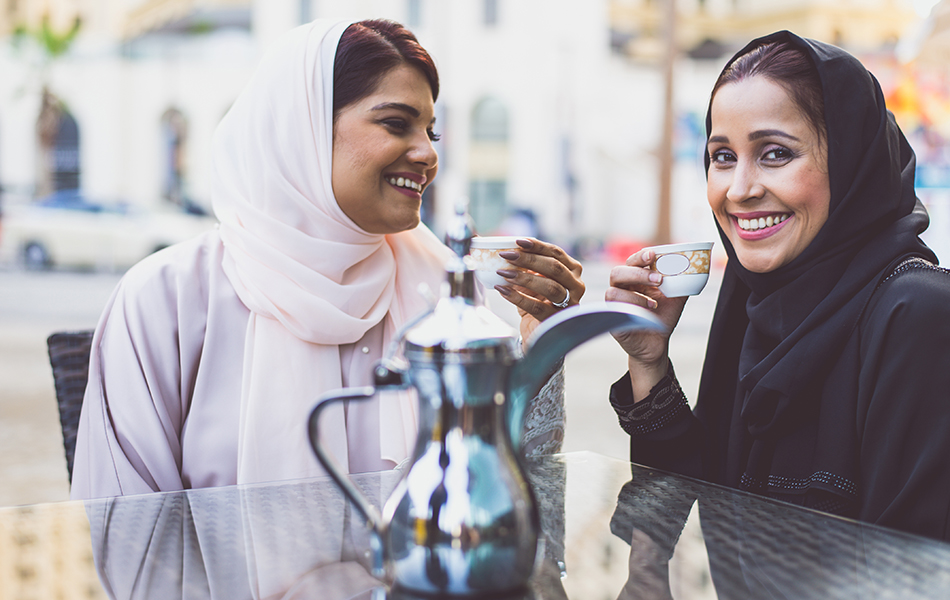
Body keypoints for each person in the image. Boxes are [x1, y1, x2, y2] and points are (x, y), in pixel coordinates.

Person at [70, 18, 585, 499]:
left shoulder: (442, 287)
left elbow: (510, 492)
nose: (428, 154)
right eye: (395, 123)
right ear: (304, 130)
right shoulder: (167, 298)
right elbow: (124, 529)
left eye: (430, 131)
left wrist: (539, 341)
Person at [606, 30, 950, 541]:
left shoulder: (918, 313)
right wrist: (649, 360)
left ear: (851, 160)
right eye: (722, 157)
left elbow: (912, 571)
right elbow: (708, 502)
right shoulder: (755, 297)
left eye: (774, 154)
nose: (740, 190)